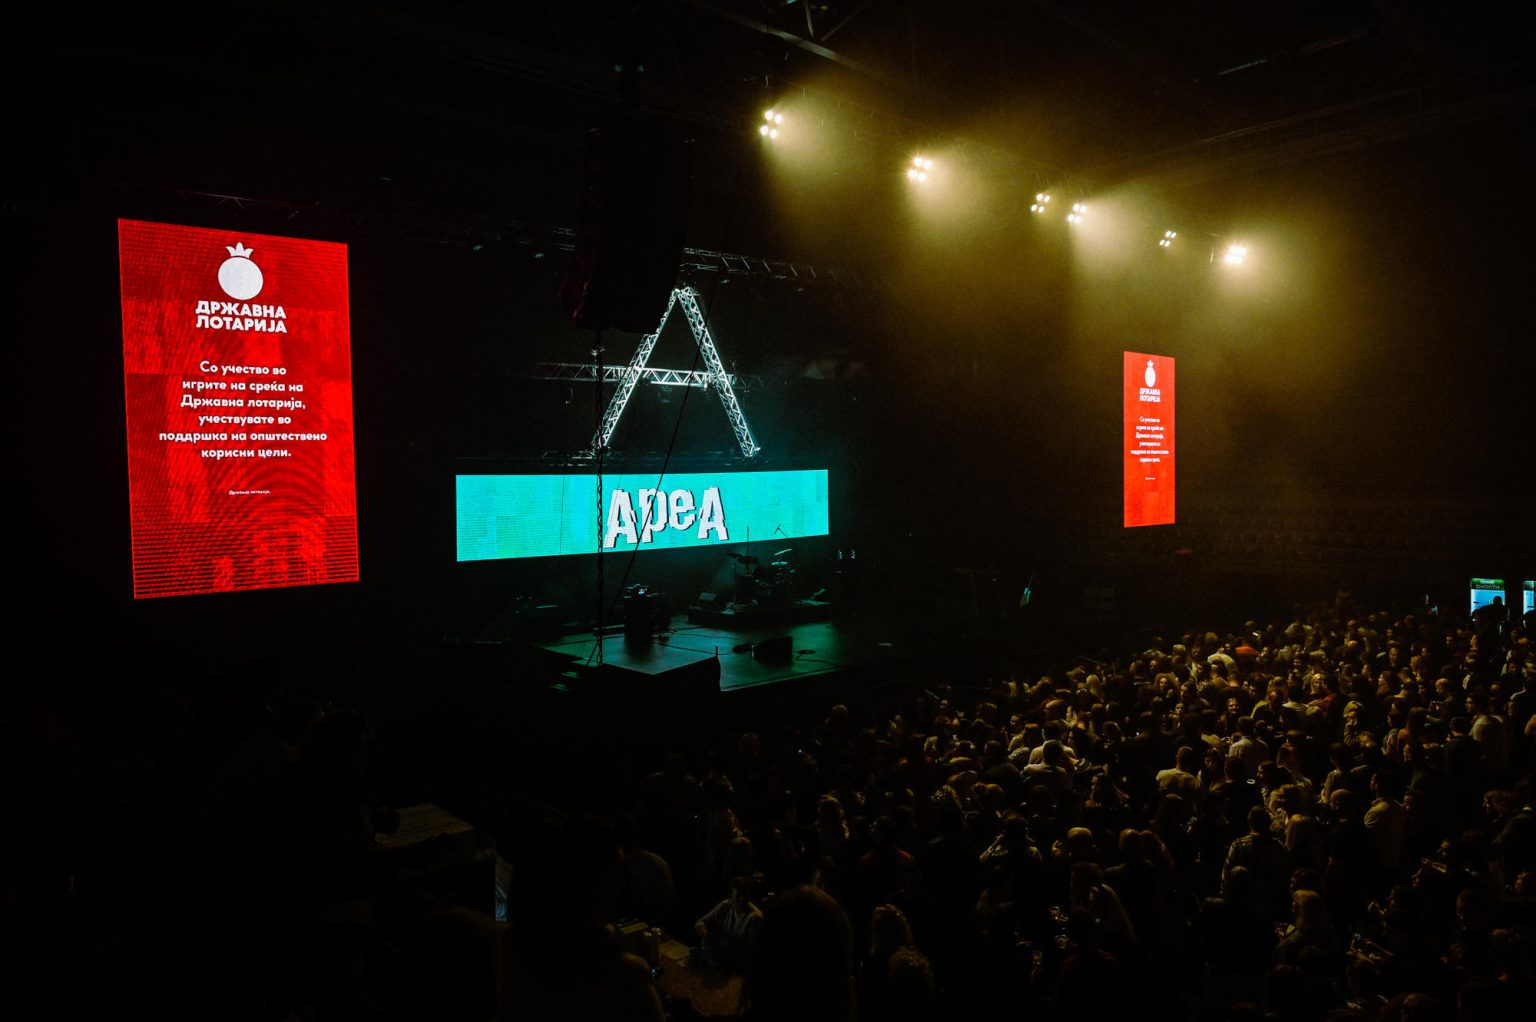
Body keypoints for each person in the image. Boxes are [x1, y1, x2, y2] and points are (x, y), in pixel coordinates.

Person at [694, 874, 762, 973]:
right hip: (718, 960)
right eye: (738, 896)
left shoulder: (754, 918)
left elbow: (752, 953)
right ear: (731, 896)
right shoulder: (725, 906)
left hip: (736, 968)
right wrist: (704, 932)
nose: (742, 900)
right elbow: (700, 922)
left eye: (745, 896)